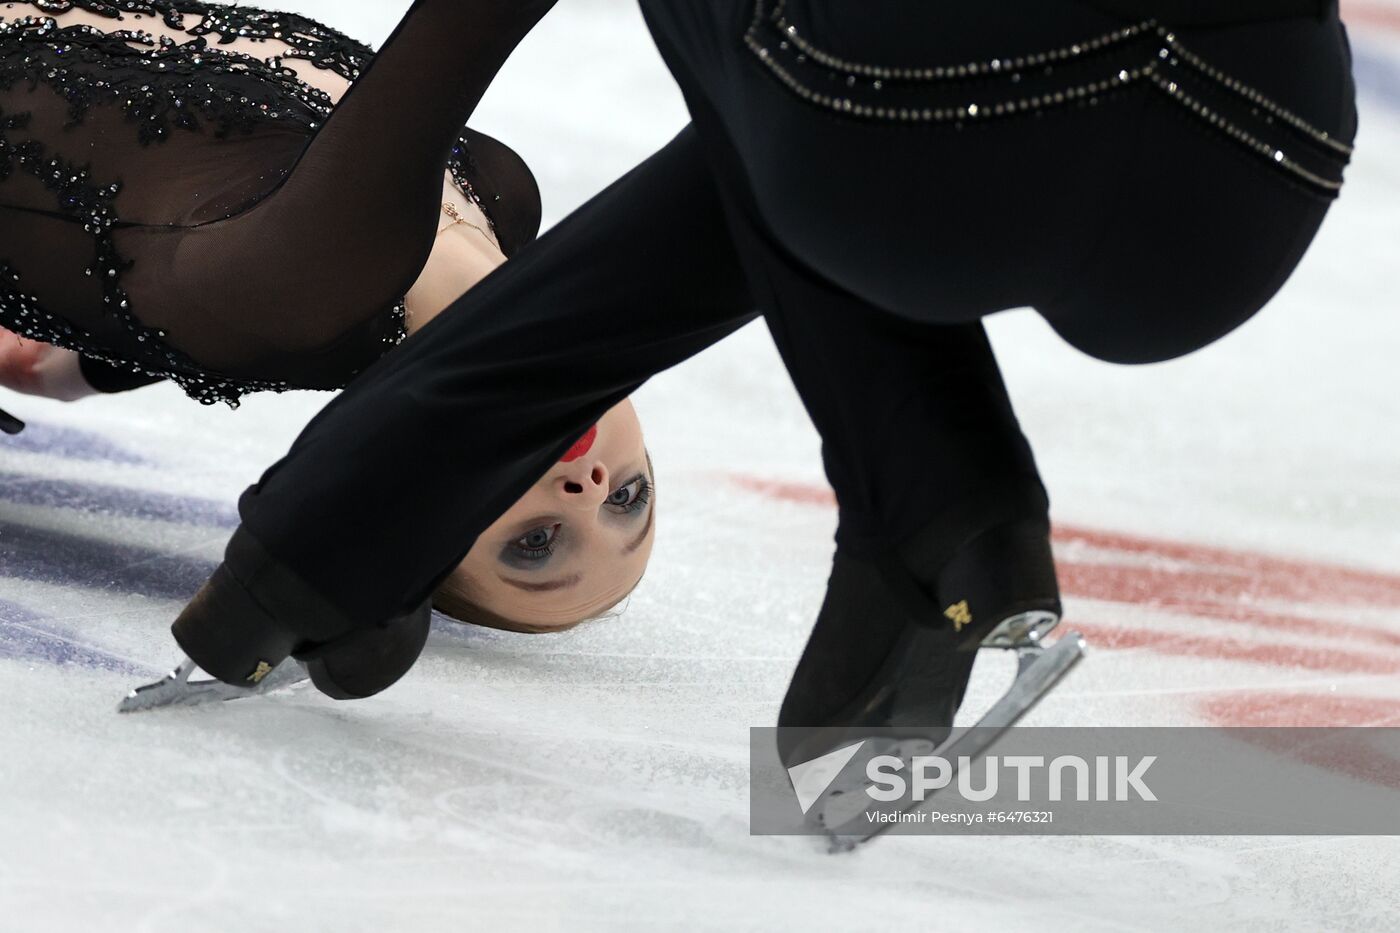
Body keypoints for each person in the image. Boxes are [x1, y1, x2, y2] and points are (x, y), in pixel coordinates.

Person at [157, 0, 1355, 727]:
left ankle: (936, 497)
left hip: (922, 115)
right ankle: (339, 520)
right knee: (760, 119)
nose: (585, 492)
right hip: (1242, 185)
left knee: (764, 100)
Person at [0, 0, 668, 633]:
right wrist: (83, 367)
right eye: (628, 498)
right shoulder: (506, 216)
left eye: (536, 541)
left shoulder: (321, 281)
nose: (587, 488)